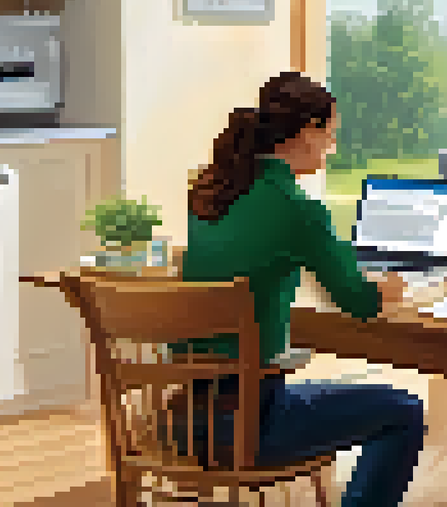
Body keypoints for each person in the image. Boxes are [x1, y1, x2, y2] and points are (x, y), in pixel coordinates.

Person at [175, 71, 425, 507]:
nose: (332, 146)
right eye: (331, 135)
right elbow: (360, 304)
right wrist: (387, 288)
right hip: (249, 429)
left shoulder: (210, 193)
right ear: (308, 130)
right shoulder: (298, 208)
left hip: (181, 422)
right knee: (404, 411)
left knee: (320, 392)